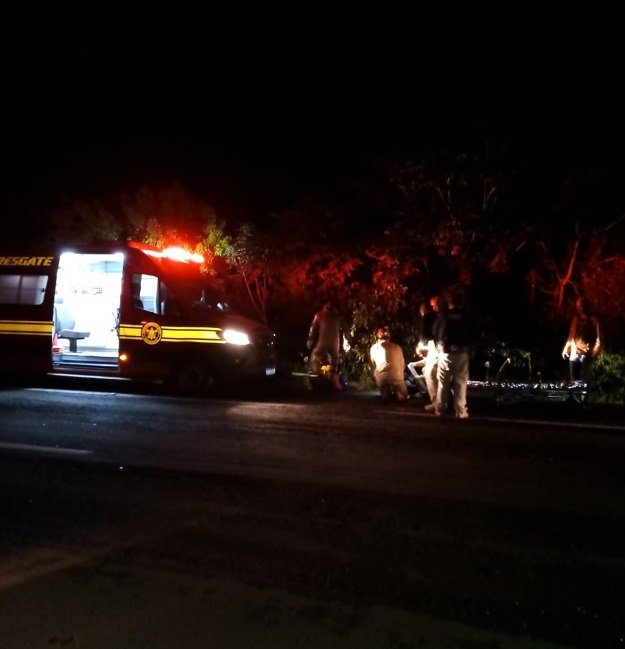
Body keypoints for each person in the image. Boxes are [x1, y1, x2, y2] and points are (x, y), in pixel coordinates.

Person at [432, 291, 473, 418]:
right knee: (460, 381)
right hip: (461, 352)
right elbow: (472, 332)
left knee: (443, 382)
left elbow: (435, 330)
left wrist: (439, 344)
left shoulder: (444, 315)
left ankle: (440, 409)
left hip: (445, 351)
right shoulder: (466, 315)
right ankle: (460, 411)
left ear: (450, 302)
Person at [306, 301, 351, 385]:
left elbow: (313, 328)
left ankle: (322, 376)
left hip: (322, 344)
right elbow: (346, 329)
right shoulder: (338, 317)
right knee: (335, 362)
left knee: (314, 359)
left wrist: (310, 339)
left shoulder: (319, 315)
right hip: (335, 345)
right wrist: (346, 341)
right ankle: (333, 379)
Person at [562, 297, 602, 384]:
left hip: (586, 354)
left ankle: (583, 393)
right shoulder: (576, 319)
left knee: (585, 381)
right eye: (578, 306)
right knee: (573, 381)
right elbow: (571, 335)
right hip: (574, 353)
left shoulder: (593, 320)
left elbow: (598, 338)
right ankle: (575, 392)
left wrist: (594, 352)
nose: (580, 308)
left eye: (581, 306)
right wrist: (566, 348)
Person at [370, 326, 410, 402]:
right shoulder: (398, 347)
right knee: (402, 395)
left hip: (383, 377)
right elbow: (402, 363)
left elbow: (373, 363)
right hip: (397, 377)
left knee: (376, 371)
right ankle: (398, 393)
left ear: (377, 336)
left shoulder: (374, 348)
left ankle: (385, 391)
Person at [416, 295, 440, 412]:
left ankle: (437, 403)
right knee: (431, 373)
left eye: (433, 304)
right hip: (440, 348)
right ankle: (438, 402)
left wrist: (422, 346)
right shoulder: (441, 316)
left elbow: (425, 335)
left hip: (436, 348)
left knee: (430, 373)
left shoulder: (429, 317)